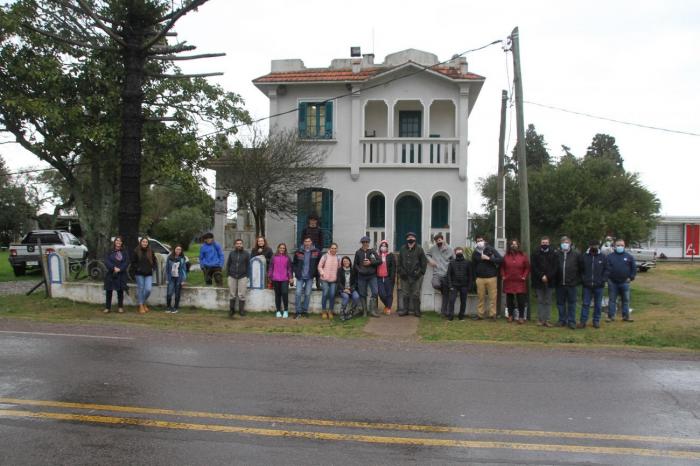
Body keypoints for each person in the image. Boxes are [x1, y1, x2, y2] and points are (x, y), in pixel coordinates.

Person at [471, 235, 503, 320]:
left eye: (481, 240)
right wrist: (475, 278)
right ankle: (480, 315)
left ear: (484, 241)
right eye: (478, 241)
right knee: (480, 297)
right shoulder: (475, 252)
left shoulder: (491, 249)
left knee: (493, 297)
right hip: (480, 278)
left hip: (491, 277)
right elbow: (473, 266)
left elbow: (500, 259)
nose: (479, 242)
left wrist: (489, 258)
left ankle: (492, 315)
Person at [579, 239, 608, 329]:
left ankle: (596, 321)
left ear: (598, 246)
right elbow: (580, 270)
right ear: (589, 246)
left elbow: (606, 270)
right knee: (585, 304)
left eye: (596, 246)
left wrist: (603, 280)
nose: (594, 247)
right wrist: (583, 280)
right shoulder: (584, 256)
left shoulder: (603, 257)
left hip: (599, 286)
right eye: (592, 246)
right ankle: (583, 321)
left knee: (598, 305)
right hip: (587, 285)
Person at [606, 238, 636, 323]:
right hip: (612, 283)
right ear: (614, 246)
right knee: (612, 300)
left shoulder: (629, 257)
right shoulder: (609, 257)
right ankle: (611, 316)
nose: (620, 247)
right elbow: (606, 269)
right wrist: (608, 279)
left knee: (626, 300)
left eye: (622, 245)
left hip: (625, 283)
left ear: (624, 246)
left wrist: (631, 277)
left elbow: (633, 268)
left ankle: (626, 316)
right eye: (618, 245)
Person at [397, 232, 427, 317]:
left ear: (415, 239)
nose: (411, 239)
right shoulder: (402, 249)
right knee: (405, 293)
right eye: (409, 237)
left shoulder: (419, 249)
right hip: (404, 276)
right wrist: (401, 272)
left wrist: (420, 273)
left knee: (416, 293)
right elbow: (399, 262)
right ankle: (405, 310)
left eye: (412, 237)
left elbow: (424, 263)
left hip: (416, 276)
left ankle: (417, 311)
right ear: (406, 239)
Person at [530, 236, 557, 327]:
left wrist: (548, 276)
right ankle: (540, 319)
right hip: (539, 281)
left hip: (550, 281)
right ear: (540, 243)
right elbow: (534, 267)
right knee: (540, 300)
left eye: (546, 243)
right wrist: (542, 276)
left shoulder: (554, 253)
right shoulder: (535, 253)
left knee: (548, 301)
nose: (544, 244)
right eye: (543, 243)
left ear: (549, 243)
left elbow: (555, 267)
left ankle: (548, 320)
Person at [501, 239, 530, 324]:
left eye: (515, 244)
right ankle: (510, 316)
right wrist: (503, 275)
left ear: (518, 245)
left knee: (521, 300)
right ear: (510, 246)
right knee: (509, 300)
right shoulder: (506, 256)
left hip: (520, 281)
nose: (514, 246)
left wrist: (524, 276)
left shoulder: (523, 255)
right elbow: (502, 267)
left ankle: (521, 317)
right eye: (512, 244)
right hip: (508, 281)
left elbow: (527, 267)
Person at [426, 233, 455, 318]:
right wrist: (430, 260)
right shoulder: (433, 249)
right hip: (437, 273)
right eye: (437, 241)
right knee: (435, 284)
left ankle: (443, 312)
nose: (438, 242)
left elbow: (453, 259)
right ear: (435, 241)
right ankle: (443, 290)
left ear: (443, 239)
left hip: (446, 274)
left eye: (440, 240)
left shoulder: (450, 249)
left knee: (445, 295)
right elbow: (427, 255)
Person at [556, 236, 581, 329]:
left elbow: (581, 269)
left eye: (566, 242)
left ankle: (571, 321)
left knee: (572, 303)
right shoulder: (557, 254)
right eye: (563, 242)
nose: (565, 244)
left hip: (572, 284)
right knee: (560, 303)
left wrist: (577, 281)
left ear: (570, 243)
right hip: (559, 284)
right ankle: (562, 320)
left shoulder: (576, 254)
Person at [292, 237, 320, 319]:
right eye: (306, 241)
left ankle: (304, 311)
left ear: (311, 242)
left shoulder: (316, 252)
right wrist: (296, 272)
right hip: (300, 276)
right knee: (298, 293)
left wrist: (314, 273)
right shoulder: (299, 252)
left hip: (309, 277)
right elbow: (294, 263)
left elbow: (318, 263)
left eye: (309, 241)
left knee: (307, 294)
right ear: (304, 242)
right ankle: (298, 311)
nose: (307, 243)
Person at [354, 236, 381, 317]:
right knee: (362, 294)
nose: (365, 243)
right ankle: (365, 311)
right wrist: (359, 270)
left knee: (375, 292)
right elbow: (355, 264)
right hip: (361, 276)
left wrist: (370, 263)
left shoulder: (372, 251)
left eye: (366, 242)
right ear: (361, 243)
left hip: (372, 275)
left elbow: (380, 261)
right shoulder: (358, 252)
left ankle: (372, 310)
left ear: (368, 243)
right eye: (363, 242)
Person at [446, 246, 473, 321]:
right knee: (451, 300)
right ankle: (450, 316)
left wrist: (469, 286)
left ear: (463, 252)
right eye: (457, 251)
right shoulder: (451, 263)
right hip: (454, 285)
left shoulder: (468, 262)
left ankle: (461, 317)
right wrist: (450, 285)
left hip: (464, 286)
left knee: (463, 301)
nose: (459, 252)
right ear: (455, 252)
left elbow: (470, 275)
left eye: (460, 251)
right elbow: (448, 275)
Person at [225, 239, 250, 318]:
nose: (239, 245)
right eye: (237, 243)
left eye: (240, 243)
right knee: (232, 294)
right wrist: (228, 274)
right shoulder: (232, 253)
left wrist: (247, 275)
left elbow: (248, 265)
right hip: (232, 276)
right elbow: (228, 264)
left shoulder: (246, 254)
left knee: (241, 294)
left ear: (242, 245)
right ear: (235, 245)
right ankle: (231, 310)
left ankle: (241, 310)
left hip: (242, 276)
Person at [104, 236, 129, 314]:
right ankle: (108, 308)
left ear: (122, 243)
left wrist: (120, 269)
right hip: (111, 273)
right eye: (117, 240)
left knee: (120, 291)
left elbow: (126, 262)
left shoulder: (124, 252)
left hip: (121, 274)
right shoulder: (110, 251)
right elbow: (106, 260)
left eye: (120, 241)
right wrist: (113, 268)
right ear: (114, 242)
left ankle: (120, 307)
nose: (118, 242)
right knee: (109, 291)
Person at [268, 243, 293, 319]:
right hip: (275, 279)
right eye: (280, 248)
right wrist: (270, 276)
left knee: (285, 293)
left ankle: (285, 310)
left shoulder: (287, 257)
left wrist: (291, 277)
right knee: (277, 295)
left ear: (285, 249)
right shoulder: (274, 257)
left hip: (285, 279)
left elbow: (289, 268)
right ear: (278, 248)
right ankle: (278, 311)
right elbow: (271, 267)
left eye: (283, 248)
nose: (282, 249)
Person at [132, 237, 156, 314]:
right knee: (141, 289)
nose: (144, 243)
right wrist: (137, 268)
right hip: (139, 274)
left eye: (146, 242)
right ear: (140, 242)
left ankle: (142, 302)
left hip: (148, 273)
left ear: (147, 243)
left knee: (148, 289)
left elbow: (154, 261)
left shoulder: (151, 251)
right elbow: (133, 262)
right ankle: (141, 306)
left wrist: (153, 268)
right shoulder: (136, 251)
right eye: (143, 242)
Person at [317, 243, 340, 319]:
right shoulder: (325, 256)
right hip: (324, 279)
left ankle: (330, 311)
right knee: (325, 292)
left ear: (337, 249)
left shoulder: (338, 257)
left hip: (333, 280)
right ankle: (323, 311)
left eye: (335, 248)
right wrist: (322, 273)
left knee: (332, 294)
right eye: (332, 248)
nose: (333, 249)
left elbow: (339, 268)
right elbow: (319, 266)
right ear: (329, 249)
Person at [165, 245, 187, 314]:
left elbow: (184, 270)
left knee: (177, 293)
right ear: (174, 250)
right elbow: (167, 269)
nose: (178, 251)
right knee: (169, 293)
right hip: (171, 278)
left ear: (181, 251)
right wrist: (167, 279)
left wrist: (183, 280)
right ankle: (168, 307)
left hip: (179, 278)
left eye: (179, 250)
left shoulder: (182, 259)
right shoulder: (169, 257)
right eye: (177, 249)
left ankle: (175, 307)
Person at [337, 256, 361, 321]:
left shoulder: (353, 270)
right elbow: (338, 282)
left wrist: (350, 289)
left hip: (351, 289)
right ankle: (342, 313)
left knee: (356, 297)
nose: (346, 262)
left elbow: (355, 282)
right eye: (344, 261)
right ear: (342, 263)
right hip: (343, 289)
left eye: (347, 261)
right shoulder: (339, 270)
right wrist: (344, 289)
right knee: (346, 297)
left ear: (349, 262)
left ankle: (350, 312)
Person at [376, 240, 396, 315]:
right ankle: (387, 305)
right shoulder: (377, 255)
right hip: (379, 278)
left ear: (387, 247)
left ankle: (388, 308)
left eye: (385, 246)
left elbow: (393, 267)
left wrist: (392, 278)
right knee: (381, 294)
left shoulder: (390, 255)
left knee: (389, 294)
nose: (383, 247)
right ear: (380, 247)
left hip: (388, 278)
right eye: (382, 245)